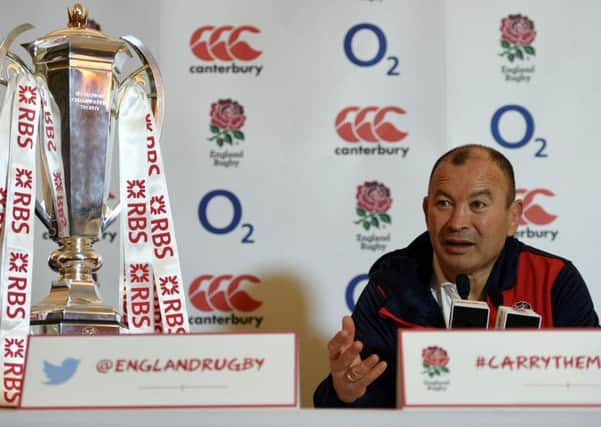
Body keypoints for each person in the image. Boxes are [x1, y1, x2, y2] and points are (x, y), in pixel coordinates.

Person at [313, 144, 599, 408]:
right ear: (426, 211)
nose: (458, 222)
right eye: (444, 204)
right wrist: (345, 392)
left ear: (513, 216)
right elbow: (360, 398)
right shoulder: (391, 285)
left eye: (478, 205)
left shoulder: (554, 280)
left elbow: (591, 390)